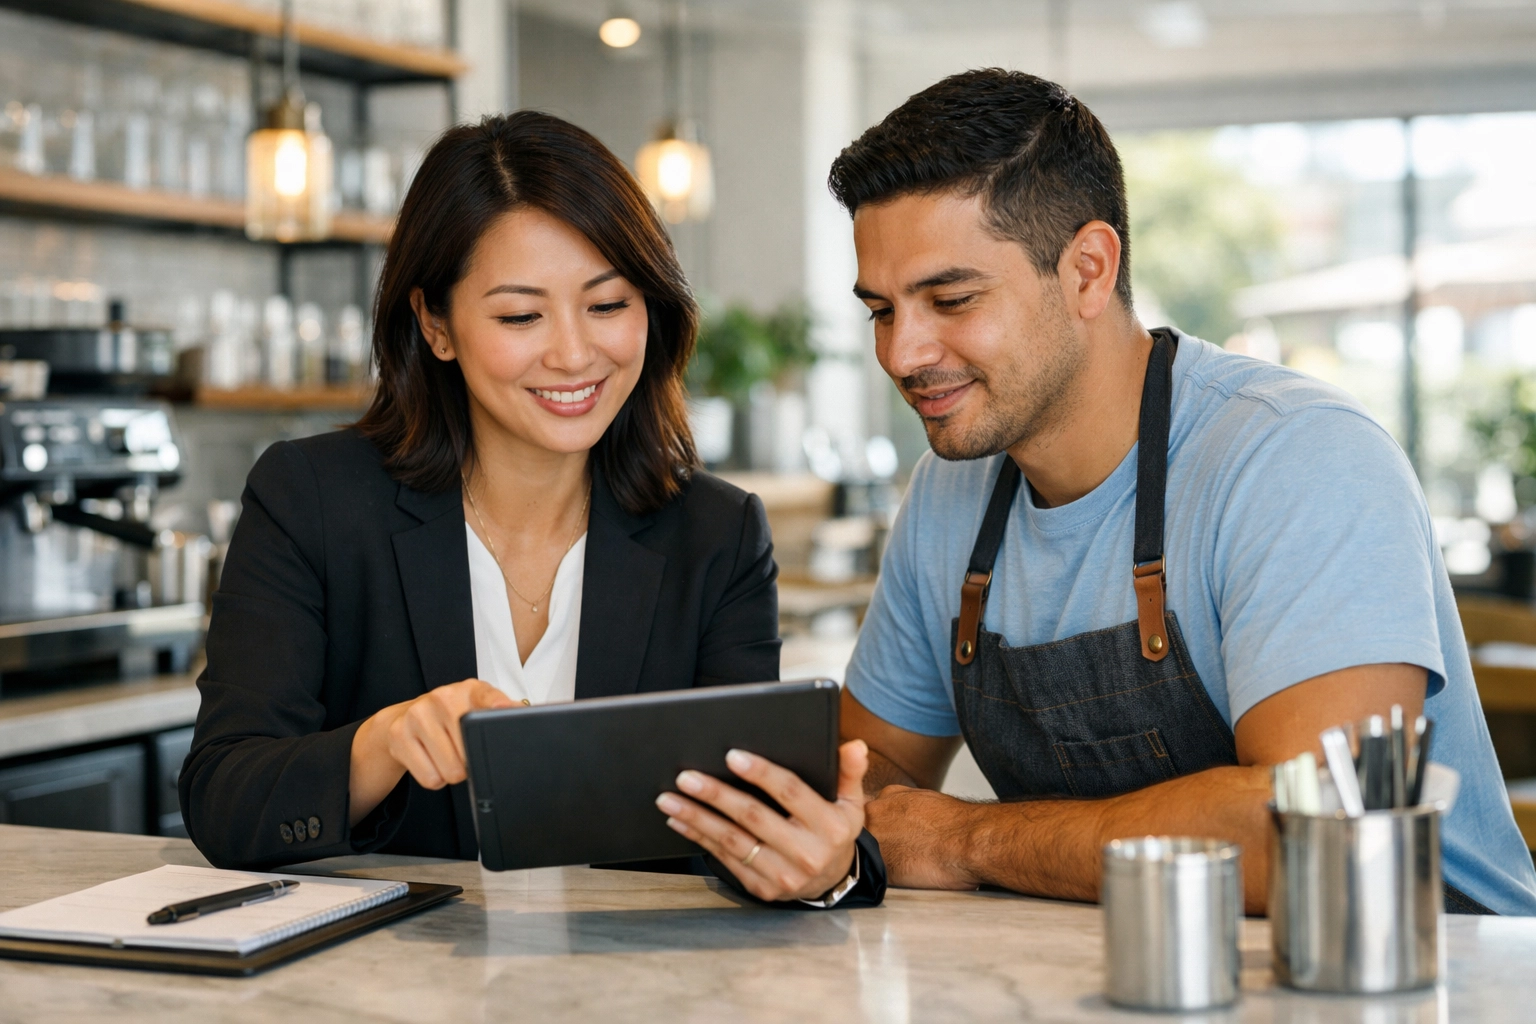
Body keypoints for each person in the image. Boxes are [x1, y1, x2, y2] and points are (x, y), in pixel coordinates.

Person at [828, 68, 1536, 916]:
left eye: (951, 299)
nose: (901, 354)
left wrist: (966, 839)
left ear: (1088, 270)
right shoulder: (949, 492)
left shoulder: (1295, 457)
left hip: (1423, 961)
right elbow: (864, 781)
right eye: (881, 311)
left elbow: (1320, 840)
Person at [180, 111, 879, 909]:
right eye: (520, 316)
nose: (574, 354)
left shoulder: (716, 535)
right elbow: (223, 800)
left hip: (636, 971)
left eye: (607, 305)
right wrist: (383, 744)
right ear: (435, 324)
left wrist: (824, 867)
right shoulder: (311, 498)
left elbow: (749, 817)